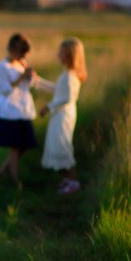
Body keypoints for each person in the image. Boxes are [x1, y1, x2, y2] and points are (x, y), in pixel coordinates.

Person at [0, 33, 50, 184]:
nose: (22, 56)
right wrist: (22, 77)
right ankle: (15, 180)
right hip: (10, 112)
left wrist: (52, 87)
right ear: (12, 49)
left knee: (25, 145)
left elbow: (33, 83)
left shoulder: (22, 63)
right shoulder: (3, 67)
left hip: (23, 111)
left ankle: (3, 171)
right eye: (20, 52)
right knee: (15, 147)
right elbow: (5, 89)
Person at [37, 37, 87, 194]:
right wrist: (37, 81)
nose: (58, 55)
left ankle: (73, 182)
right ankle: (67, 180)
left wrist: (48, 107)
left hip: (63, 116)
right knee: (57, 145)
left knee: (62, 146)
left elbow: (67, 98)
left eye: (61, 52)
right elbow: (57, 90)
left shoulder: (70, 76)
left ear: (69, 55)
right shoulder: (66, 74)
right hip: (59, 115)